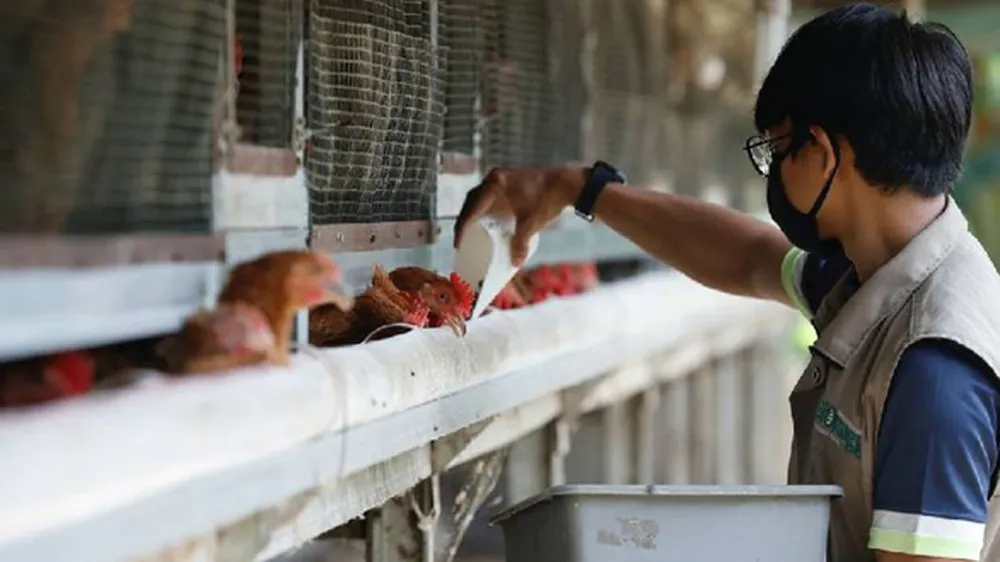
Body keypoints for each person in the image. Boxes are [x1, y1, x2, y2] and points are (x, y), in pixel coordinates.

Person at [454, 4, 1000, 562]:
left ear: (824, 152)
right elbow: (748, 256)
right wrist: (580, 188)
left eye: (779, 151)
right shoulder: (872, 275)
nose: (776, 173)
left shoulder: (934, 367)